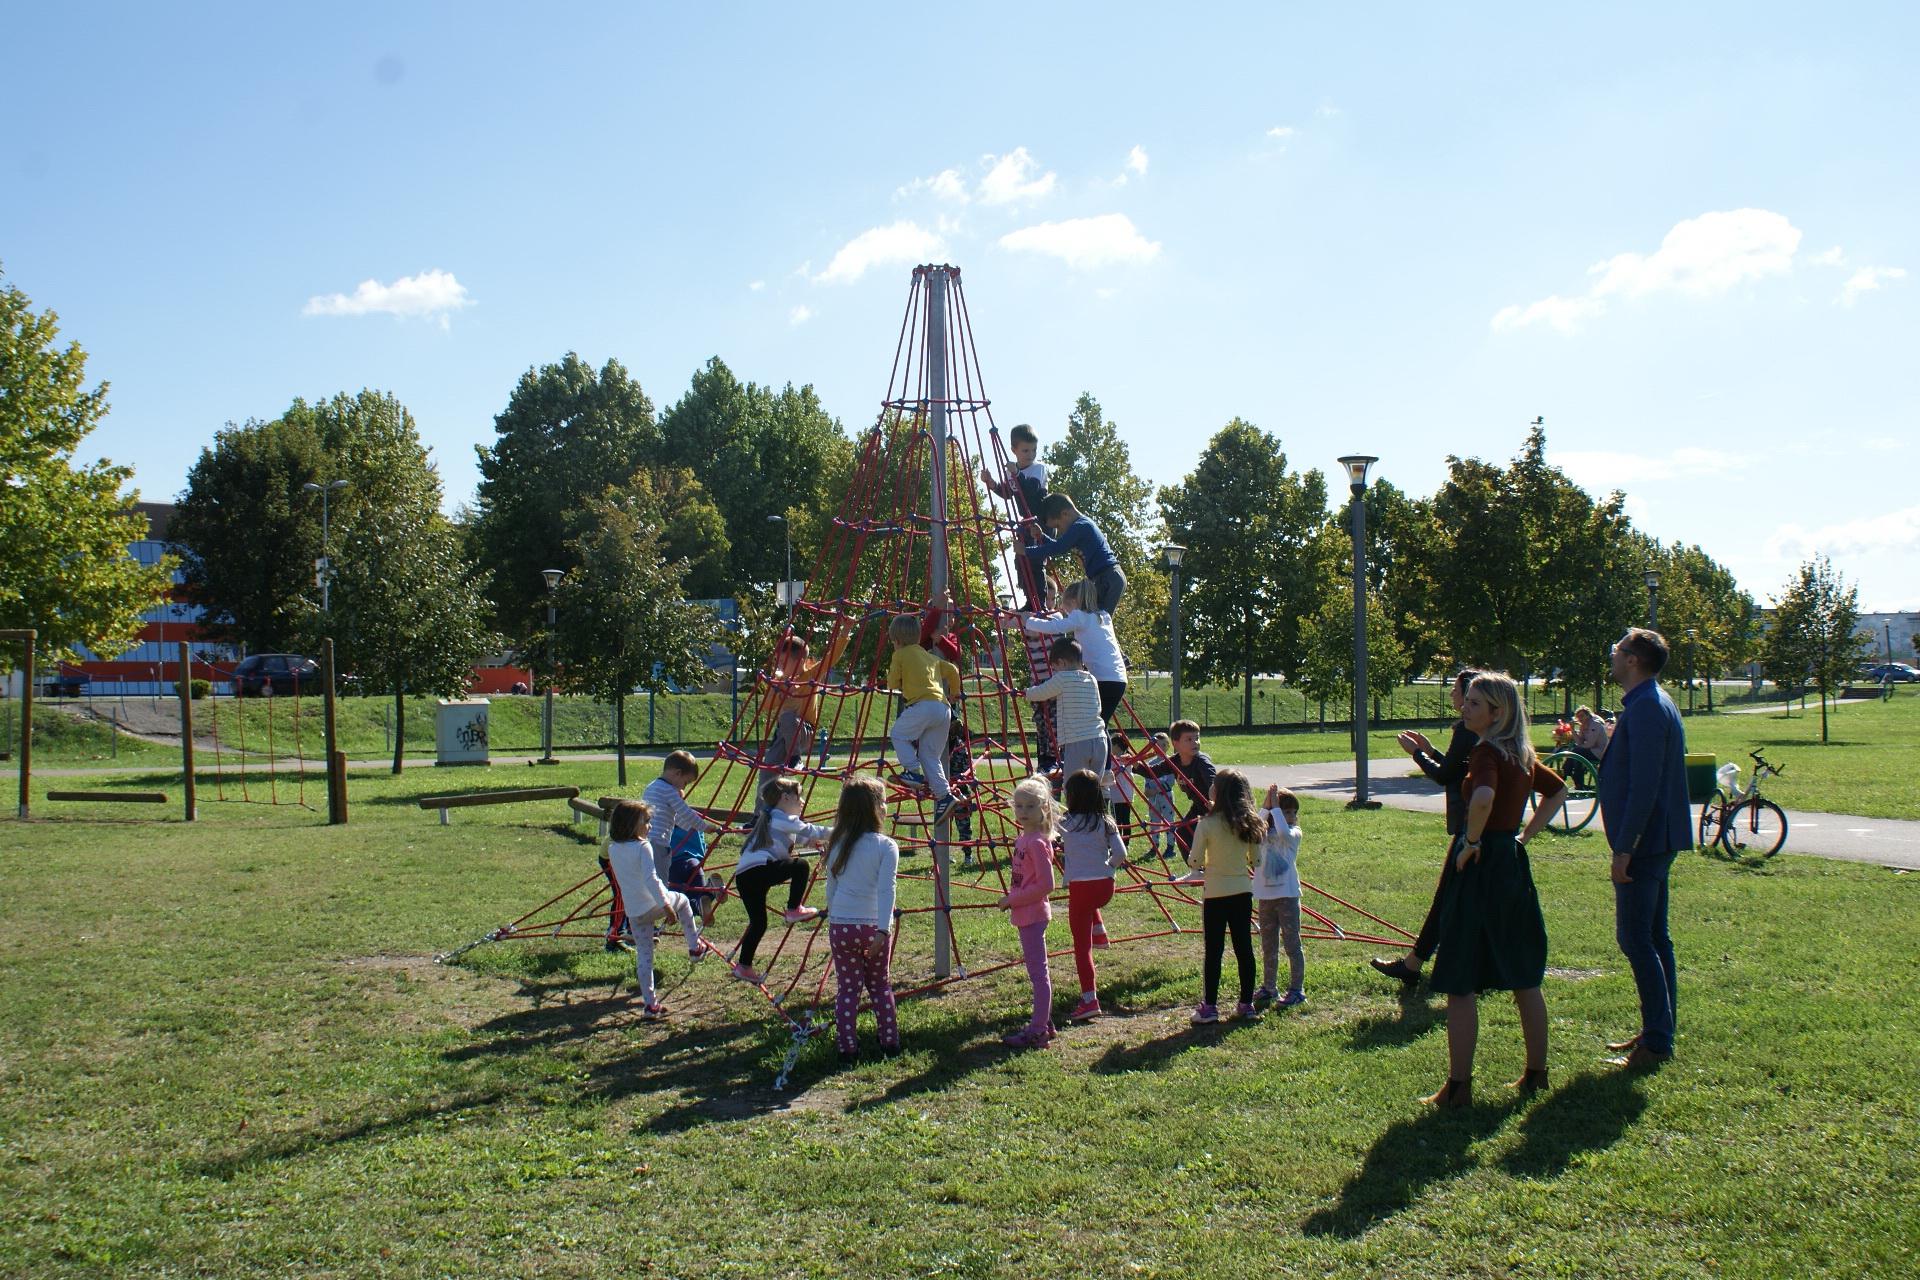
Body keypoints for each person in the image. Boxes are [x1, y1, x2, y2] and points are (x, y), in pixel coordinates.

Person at [1423, 672, 1568, 1107]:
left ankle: (1459, 1088)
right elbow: (1558, 791)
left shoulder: (1486, 751)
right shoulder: (1520, 753)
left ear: (1496, 713)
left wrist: (1470, 841)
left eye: (1473, 704)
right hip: (1510, 861)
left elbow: (1482, 797)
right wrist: (1523, 838)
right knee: (1524, 971)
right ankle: (1536, 1074)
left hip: (1483, 862)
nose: (1464, 709)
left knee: (1460, 976)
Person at [1596, 627, 1692, 1071]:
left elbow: (1645, 787)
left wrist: (1625, 848)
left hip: (1646, 844)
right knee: (1655, 937)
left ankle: (1657, 1040)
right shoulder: (1648, 703)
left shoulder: (1650, 708)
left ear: (1633, 660)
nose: (1612, 658)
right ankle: (1660, 1028)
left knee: (1635, 938)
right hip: (1652, 842)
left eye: (1617, 652)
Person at [1371, 669, 1480, 985]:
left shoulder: (1467, 730)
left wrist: (1417, 754)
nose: (1453, 696)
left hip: (1471, 828)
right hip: (1476, 827)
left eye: (1457, 691)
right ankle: (1417, 964)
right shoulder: (1481, 731)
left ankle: (1416, 965)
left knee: (1449, 898)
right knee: (1456, 898)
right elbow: (1456, 768)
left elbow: (1447, 776)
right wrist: (1431, 752)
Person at [822, 776, 902, 1061]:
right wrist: (883, 929)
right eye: (883, 802)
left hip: (842, 925)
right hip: (871, 926)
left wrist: (835, 916)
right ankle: (889, 1042)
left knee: (848, 988)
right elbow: (886, 888)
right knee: (879, 984)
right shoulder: (885, 846)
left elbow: (831, 886)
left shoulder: (837, 843)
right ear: (874, 808)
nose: (886, 806)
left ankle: (847, 1046)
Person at [603, 799, 705, 1020]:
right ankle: (695, 947)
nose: (650, 826)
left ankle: (651, 1005)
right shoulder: (643, 846)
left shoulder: (613, 848)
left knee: (645, 956)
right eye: (646, 821)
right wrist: (666, 906)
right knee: (684, 902)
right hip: (653, 904)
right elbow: (652, 879)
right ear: (632, 825)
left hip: (635, 912)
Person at [1178, 768, 1265, 1023]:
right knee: (1244, 948)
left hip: (1215, 893)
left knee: (1214, 950)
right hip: (1241, 892)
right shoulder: (1249, 823)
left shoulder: (1206, 824)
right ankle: (1246, 1004)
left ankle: (1210, 1007)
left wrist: (1203, 863)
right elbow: (1256, 860)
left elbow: (1194, 860)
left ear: (1218, 791)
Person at [730, 777, 826, 984]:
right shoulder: (782, 818)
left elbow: (803, 838)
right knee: (800, 865)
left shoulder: (774, 819)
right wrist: (844, 832)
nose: (802, 802)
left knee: (759, 923)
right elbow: (810, 831)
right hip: (759, 870)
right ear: (785, 797)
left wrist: (815, 843)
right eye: (798, 796)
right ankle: (793, 909)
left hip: (745, 876)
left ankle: (744, 966)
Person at [1058, 770, 1127, 1023]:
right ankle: (1099, 930)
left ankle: (1089, 1000)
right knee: (1090, 907)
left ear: (1073, 796)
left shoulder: (1065, 822)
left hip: (1081, 888)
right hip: (1106, 886)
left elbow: (1047, 833)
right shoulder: (1106, 820)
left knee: (1081, 947)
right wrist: (1108, 867)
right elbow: (1121, 853)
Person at [884, 612, 963, 823]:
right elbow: (953, 670)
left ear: (897, 641)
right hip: (943, 709)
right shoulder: (930, 656)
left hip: (922, 706)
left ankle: (912, 771)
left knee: (898, 735)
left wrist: (894, 677)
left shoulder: (900, 655)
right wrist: (954, 692)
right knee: (930, 755)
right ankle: (945, 796)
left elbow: (892, 683)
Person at [998, 776, 1059, 1048]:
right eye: (1019, 806)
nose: (1023, 812)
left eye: (1030, 807)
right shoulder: (1024, 838)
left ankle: (1038, 1031)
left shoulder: (1036, 842)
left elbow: (1047, 884)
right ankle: (1044, 1022)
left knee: (1038, 974)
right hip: (1026, 914)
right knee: (1037, 971)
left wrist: (1014, 899)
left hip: (1033, 913)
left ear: (1044, 808)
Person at [1020, 578, 1128, 723]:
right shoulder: (1103, 615)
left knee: (1096, 724)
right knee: (1101, 722)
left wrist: (1028, 622)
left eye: (1067, 608)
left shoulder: (1080, 616)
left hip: (1102, 678)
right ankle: (1100, 745)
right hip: (1119, 679)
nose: (1067, 613)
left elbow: (1055, 627)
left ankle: (1095, 746)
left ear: (1074, 603)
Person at [644, 750, 726, 925]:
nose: (683, 788)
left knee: (650, 881)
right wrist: (706, 827)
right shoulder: (668, 790)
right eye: (685, 783)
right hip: (658, 844)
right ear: (677, 774)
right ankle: (667, 913)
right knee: (661, 884)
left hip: (646, 842)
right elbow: (686, 814)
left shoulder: (652, 787)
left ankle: (665, 914)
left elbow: (679, 819)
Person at [982, 423, 1050, 609]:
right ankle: (1030, 600)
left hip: (1040, 521)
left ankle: (1040, 603)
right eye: (1025, 450)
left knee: (1035, 561)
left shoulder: (1038, 468)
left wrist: (1017, 473)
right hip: (1025, 522)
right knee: (1021, 560)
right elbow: (1008, 492)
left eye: (1033, 450)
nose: (1030, 455)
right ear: (1014, 450)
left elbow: (1032, 490)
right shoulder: (1012, 471)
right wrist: (992, 483)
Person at [763, 628, 851, 771]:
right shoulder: (779, 681)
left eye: (784, 661)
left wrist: (844, 635)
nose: (779, 665)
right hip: (783, 733)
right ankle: (770, 793)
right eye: (778, 661)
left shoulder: (810, 676)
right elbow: (766, 706)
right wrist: (781, 694)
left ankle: (795, 759)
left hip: (804, 730)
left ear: (799, 661)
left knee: (787, 718)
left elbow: (831, 658)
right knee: (768, 769)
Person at [1025, 493, 1125, 615]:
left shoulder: (1081, 526)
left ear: (1065, 513)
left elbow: (1058, 548)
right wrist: (1042, 537)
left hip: (1108, 578)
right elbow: (1060, 546)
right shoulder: (1080, 526)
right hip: (1104, 578)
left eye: (1058, 526)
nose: (1060, 531)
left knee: (1098, 620)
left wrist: (1025, 551)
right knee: (1092, 618)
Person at [1024, 637, 1107, 780]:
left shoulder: (1062, 678)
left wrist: (1026, 692)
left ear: (1062, 663)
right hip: (1100, 740)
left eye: (1055, 668)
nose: (1055, 672)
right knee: (1093, 786)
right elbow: (1098, 705)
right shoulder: (1091, 679)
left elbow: (1041, 693)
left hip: (1077, 743)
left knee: (1073, 785)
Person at [1255, 785, 1306, 1008]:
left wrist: (1276, 809)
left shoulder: (1294, 833)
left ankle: (1297, 989)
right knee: (1268, 945)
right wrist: (1266, 807)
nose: (1292, 816)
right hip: (1266, 897)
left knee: (1292, 943)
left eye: (1294, 812)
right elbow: (1253, 828)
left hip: (1287, 896)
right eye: (1288, 812)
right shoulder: (1263, 835)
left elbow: (1284, 833)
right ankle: (1269, 987)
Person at [1149, 719, 1216, 856]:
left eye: (1197, 738)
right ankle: (1196, 870)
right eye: (1189, 739)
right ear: (1176, 743)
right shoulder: (1175, 761)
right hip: (1199, 806)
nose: (1195, 742)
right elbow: (1153, 771)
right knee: (1182, 833)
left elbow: (1214, 781)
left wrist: (1216, 801)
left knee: (1215, 840)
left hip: (1215, 806)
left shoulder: (1201, 762)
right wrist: (1136, 766)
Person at [1140, 731, 1180, 859]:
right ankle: (1154, 846)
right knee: (1154, 821)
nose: (1160, 748)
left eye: (1163, 745)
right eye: (1156, 745)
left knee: (1169, 821)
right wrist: (1148, 791)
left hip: (1166, 797)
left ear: (1168, 746)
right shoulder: (1151, 763)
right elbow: (1147, 779)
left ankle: (1170, 847)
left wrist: (1157, 789)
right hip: (1153, 799)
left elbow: (1170, 782)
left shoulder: (1170, 762)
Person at [1103, 732, 1140, 847]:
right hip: (1126, 795)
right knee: (1124, 820)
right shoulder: (1125, 758)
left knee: (1119, 821)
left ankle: (1121, 843)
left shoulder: (1120, 759)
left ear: (1116, 746)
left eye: (1111, 745)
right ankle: (1123, 843)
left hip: (1118, 795)